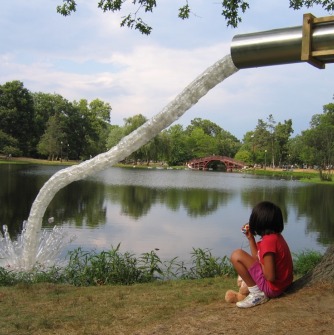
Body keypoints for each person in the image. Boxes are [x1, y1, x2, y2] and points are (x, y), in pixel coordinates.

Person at [230, 201, 293, 308]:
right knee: (243, 262)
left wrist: (255, 269)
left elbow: (270, 276)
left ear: (259, 222)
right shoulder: (274, 238)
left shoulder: (268, 242)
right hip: (283, 285)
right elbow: (257, 258)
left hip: (273, 288)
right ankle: (255, 290)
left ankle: (257, 294)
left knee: (237, 255)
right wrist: (251, 238)